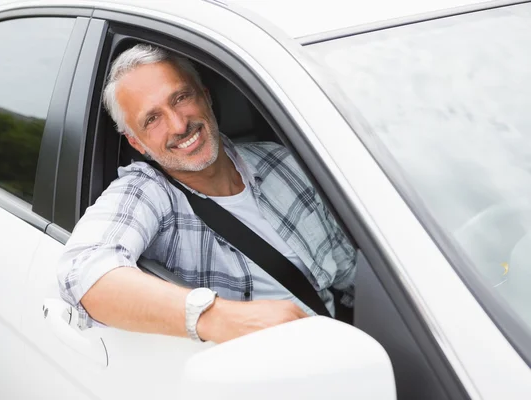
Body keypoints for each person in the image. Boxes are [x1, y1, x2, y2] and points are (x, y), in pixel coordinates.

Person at [58, 43, 356, 344]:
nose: (179, 124)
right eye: (152, 119)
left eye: (181, 97)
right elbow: (81, 272)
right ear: (137, 143)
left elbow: (352, 273)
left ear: (206, 96)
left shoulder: (283, 162)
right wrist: (212, 316)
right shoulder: (147, 192)